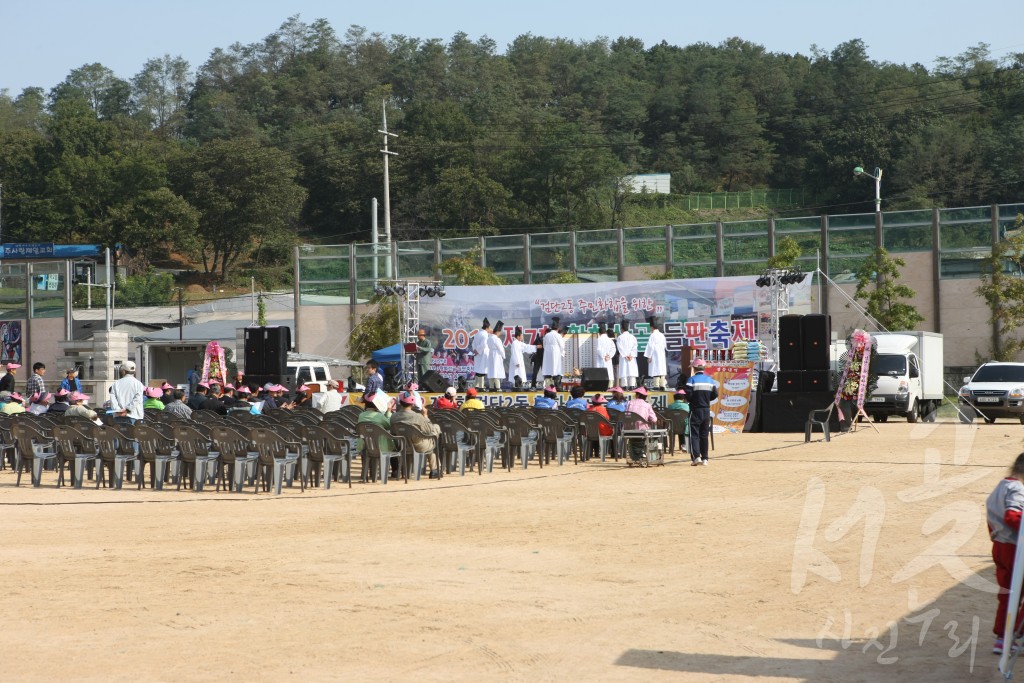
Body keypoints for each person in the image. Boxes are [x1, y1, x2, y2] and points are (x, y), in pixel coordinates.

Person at [988, 453, 1024, 655]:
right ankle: (1018, 633)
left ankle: (1002, 637)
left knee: (1007, 593)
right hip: (1014, 548)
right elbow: (1012, 516)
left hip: (1000, 546)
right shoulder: (1017, 489)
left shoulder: (1000, 487)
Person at [391, 391, 443, 478]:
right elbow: (429, 430)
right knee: (435, 430)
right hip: (418, 446)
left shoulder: (394, 416)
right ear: (412, 404)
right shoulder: (418, 416)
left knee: (430, 438)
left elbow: (393, 431)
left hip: (402, 445)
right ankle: (434, 470)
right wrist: (425, 415)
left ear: (400, 403)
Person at [684, 358, 719, 466]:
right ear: (704, 368)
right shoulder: (710, 380)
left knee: (694, 434)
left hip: (695, 410)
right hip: (706, 410)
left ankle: (696, 457)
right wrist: (705, 400)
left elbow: (688, 394)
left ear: (694, 368)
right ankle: (705, 459)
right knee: (704, 435)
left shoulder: (691, 380)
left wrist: (694, 400)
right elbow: (715, 394)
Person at [624, 386, 659, 461]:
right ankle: (645, 454)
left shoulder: (629, 403)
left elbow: (626, 415)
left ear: (637, 395)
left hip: (629, 431)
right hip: (643, 431)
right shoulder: (647, 405)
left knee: (635, 441)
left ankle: (637, 454)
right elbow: (654, 419)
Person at [586, 394, 616, 460]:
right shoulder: (604, 410)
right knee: (612, 432)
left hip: (590, 432)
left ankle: (595, 452)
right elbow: (608, 421)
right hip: (603, 432)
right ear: (601, 402)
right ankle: (613, 453)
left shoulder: (588, 410)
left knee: (595, 429)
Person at [541, 317, 566, 390]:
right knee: (556, 369)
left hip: (547, 355)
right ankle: (557, 387)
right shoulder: (558, 335)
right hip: (556, 354)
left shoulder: (547, 335)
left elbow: (544, 345)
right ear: (557, 328)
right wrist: (562, 353)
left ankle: (549, 387)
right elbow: (562, 346)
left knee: (548, 370)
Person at [644, 319, 668, 390]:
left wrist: (649, 356)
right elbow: (664, 345)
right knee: (661, 369)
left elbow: (650, 346)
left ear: (651, 327)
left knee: (655, 369)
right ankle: (662, 385)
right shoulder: (662, 335)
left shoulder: (653, 335)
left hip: (654, 354)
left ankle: (656, 386)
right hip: (661, 353)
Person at [616, 320, 639, 391]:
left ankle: (624, 386)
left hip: (624, 357)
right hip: (631, 358)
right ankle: (632, 386)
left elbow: (619, 347)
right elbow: (635, 347)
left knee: (624, 371)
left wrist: (625, 355)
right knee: (631, 371)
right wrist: (631, 355)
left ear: (621, 329)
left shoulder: (620, 337)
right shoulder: (633, 337)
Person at [486, 321, 507, 392]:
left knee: (491, 371)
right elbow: (501, 349)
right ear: (497, 332)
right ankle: (498, 387)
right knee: (496, 371)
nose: (500, 334)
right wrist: (503, 356)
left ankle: (491, 387)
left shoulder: (489, 338)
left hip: (490, 355)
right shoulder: (497, 339)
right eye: (499, 332)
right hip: (496, 355)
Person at [472, 318, 492, 390]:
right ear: (487, 327)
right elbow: (483, 344)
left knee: (478, 369)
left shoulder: (478, 333)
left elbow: (473, 343)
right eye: (489, 327)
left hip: (477, 354)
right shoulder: (485, 334)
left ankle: (476, 385)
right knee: (482, 370)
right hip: (482, 353)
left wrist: (475, 350)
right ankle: (481, 386)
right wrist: (478, 351)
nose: (490, 329)